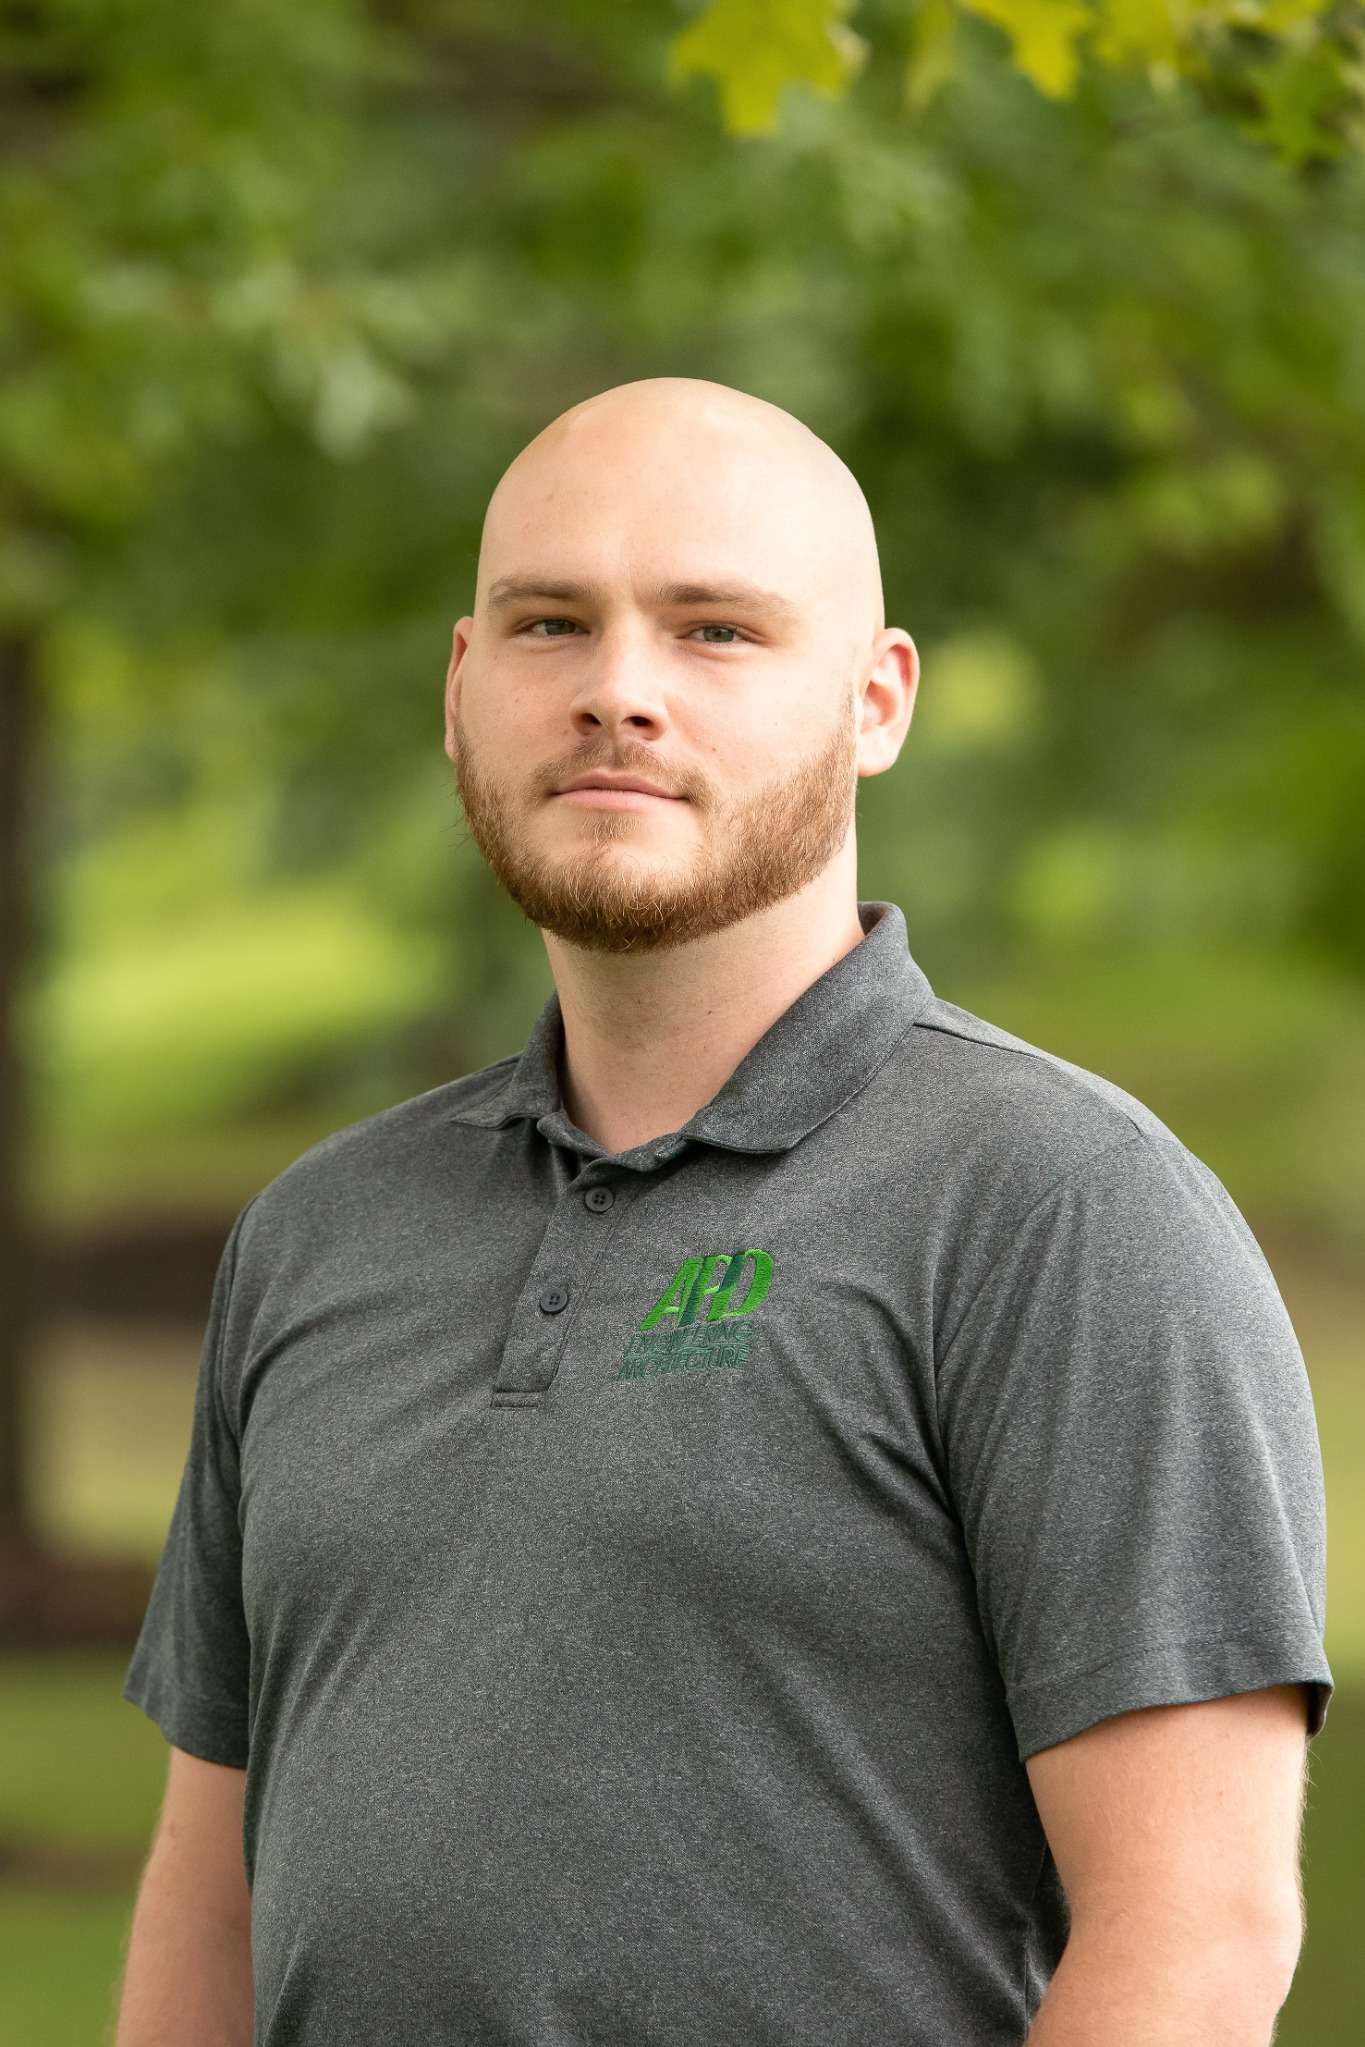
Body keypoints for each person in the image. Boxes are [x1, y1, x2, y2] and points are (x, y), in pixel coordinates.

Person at [120, 376, 1333, 2046]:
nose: (619, 692)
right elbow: (209, 1900)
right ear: (464, 687)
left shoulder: (1060, 1212)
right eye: (552, 624)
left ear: (875, 698)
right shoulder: (318, 1236)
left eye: (715, 632)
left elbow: (1195, 1940)